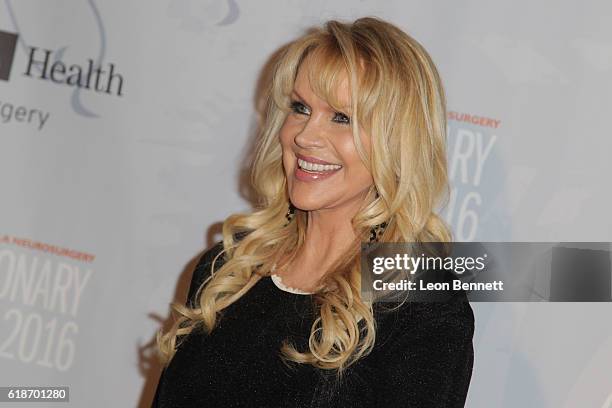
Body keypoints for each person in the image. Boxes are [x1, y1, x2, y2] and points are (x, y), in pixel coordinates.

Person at [151, 16, 474, 408]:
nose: (304, 136)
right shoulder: (228, 268)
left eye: (341, 118)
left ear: (397, 142)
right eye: (300, 108)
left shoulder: (417, 303)